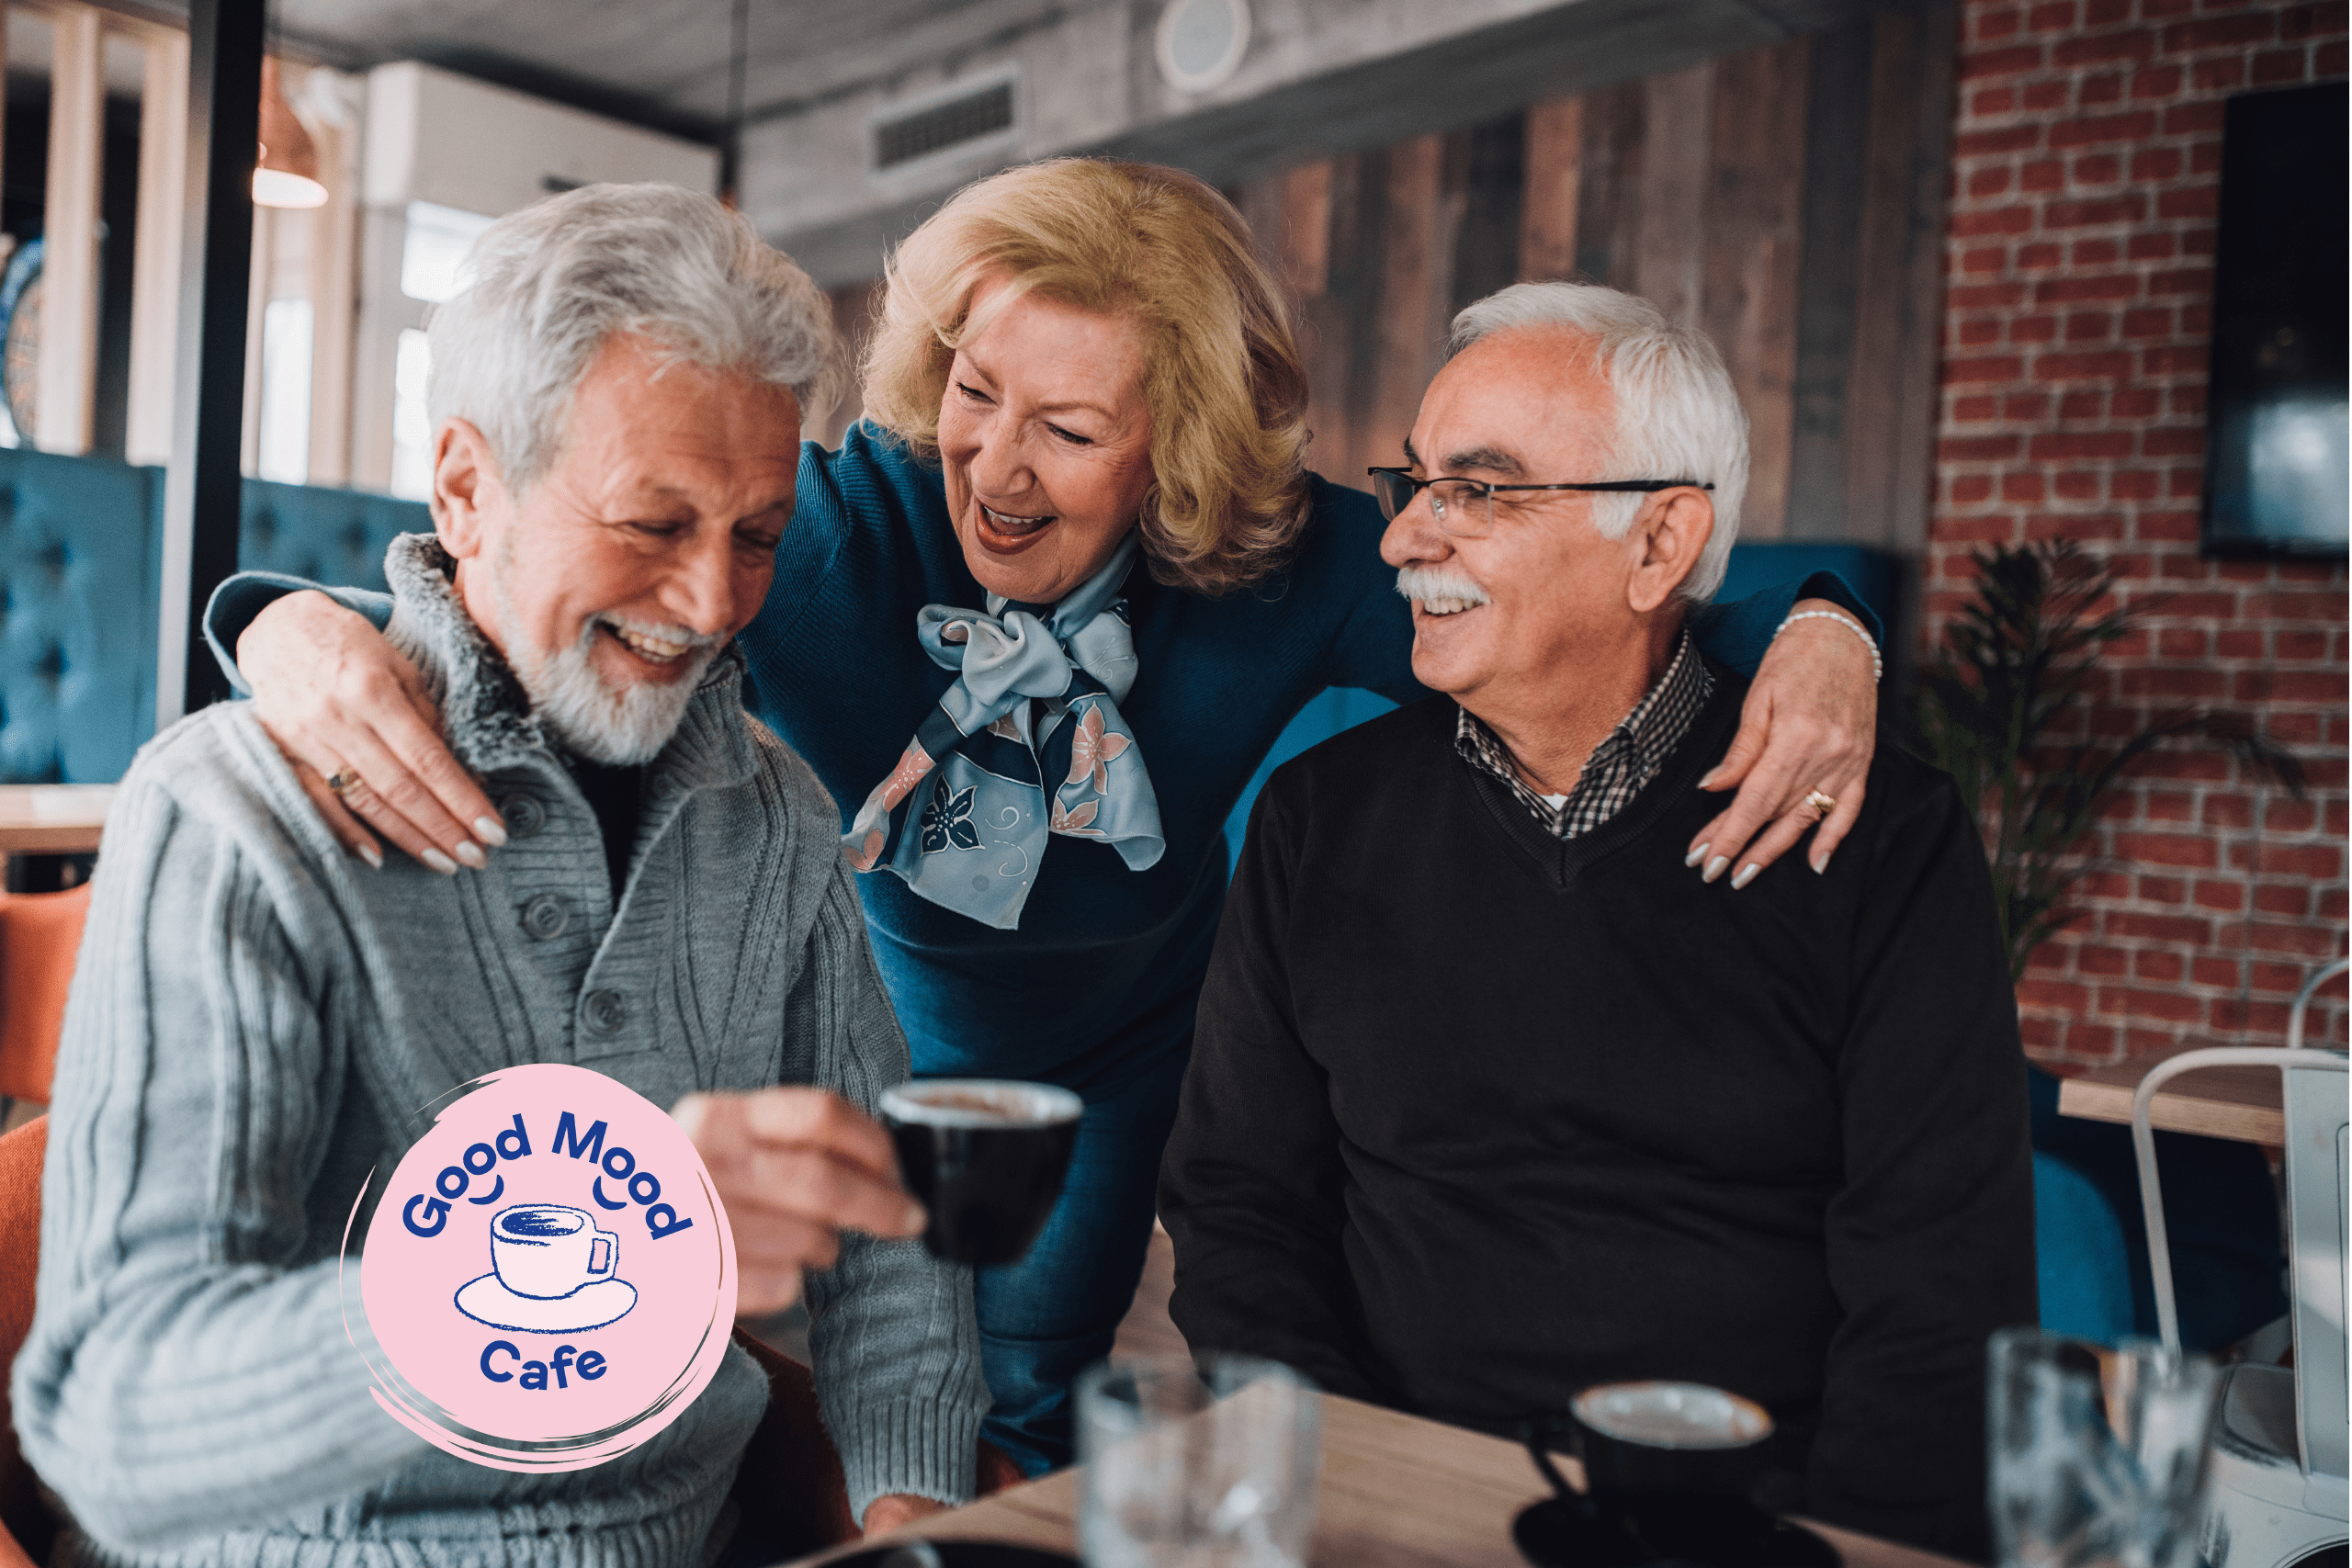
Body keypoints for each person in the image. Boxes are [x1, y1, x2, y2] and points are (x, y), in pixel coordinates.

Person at [204, 162, 1888, 1472]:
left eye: (1071, 430)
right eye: (976, 392)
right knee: (792, 1369)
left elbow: (1592, 599)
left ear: (1179, 454)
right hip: (870, 1018)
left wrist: (1828, 629)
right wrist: (277, 625)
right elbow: (510, 570)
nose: (996, 467)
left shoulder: (1289, 566)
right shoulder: (838, 532)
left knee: (1024, 1391)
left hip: (1119, 1055)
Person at [13, 187, 987, 1566]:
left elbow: (894, 1240)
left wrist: (914, 1509)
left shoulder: (775, 817)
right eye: (653, 523)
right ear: (468, 490)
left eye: (757, 534)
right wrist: (555, 1277)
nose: (713, 603)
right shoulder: (234, 810)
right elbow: (119, 1424)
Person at [1158, 282, 2036, 1559]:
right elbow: (1238, 1208)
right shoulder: (1316, 819)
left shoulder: (1881, 837)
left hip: (1754, 1528)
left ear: (1661, 543)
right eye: (1415, 486)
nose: (1406, 539)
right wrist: (1341, 1486)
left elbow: (1943, 1299)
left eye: (1483, 490)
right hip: (1394, 1502)